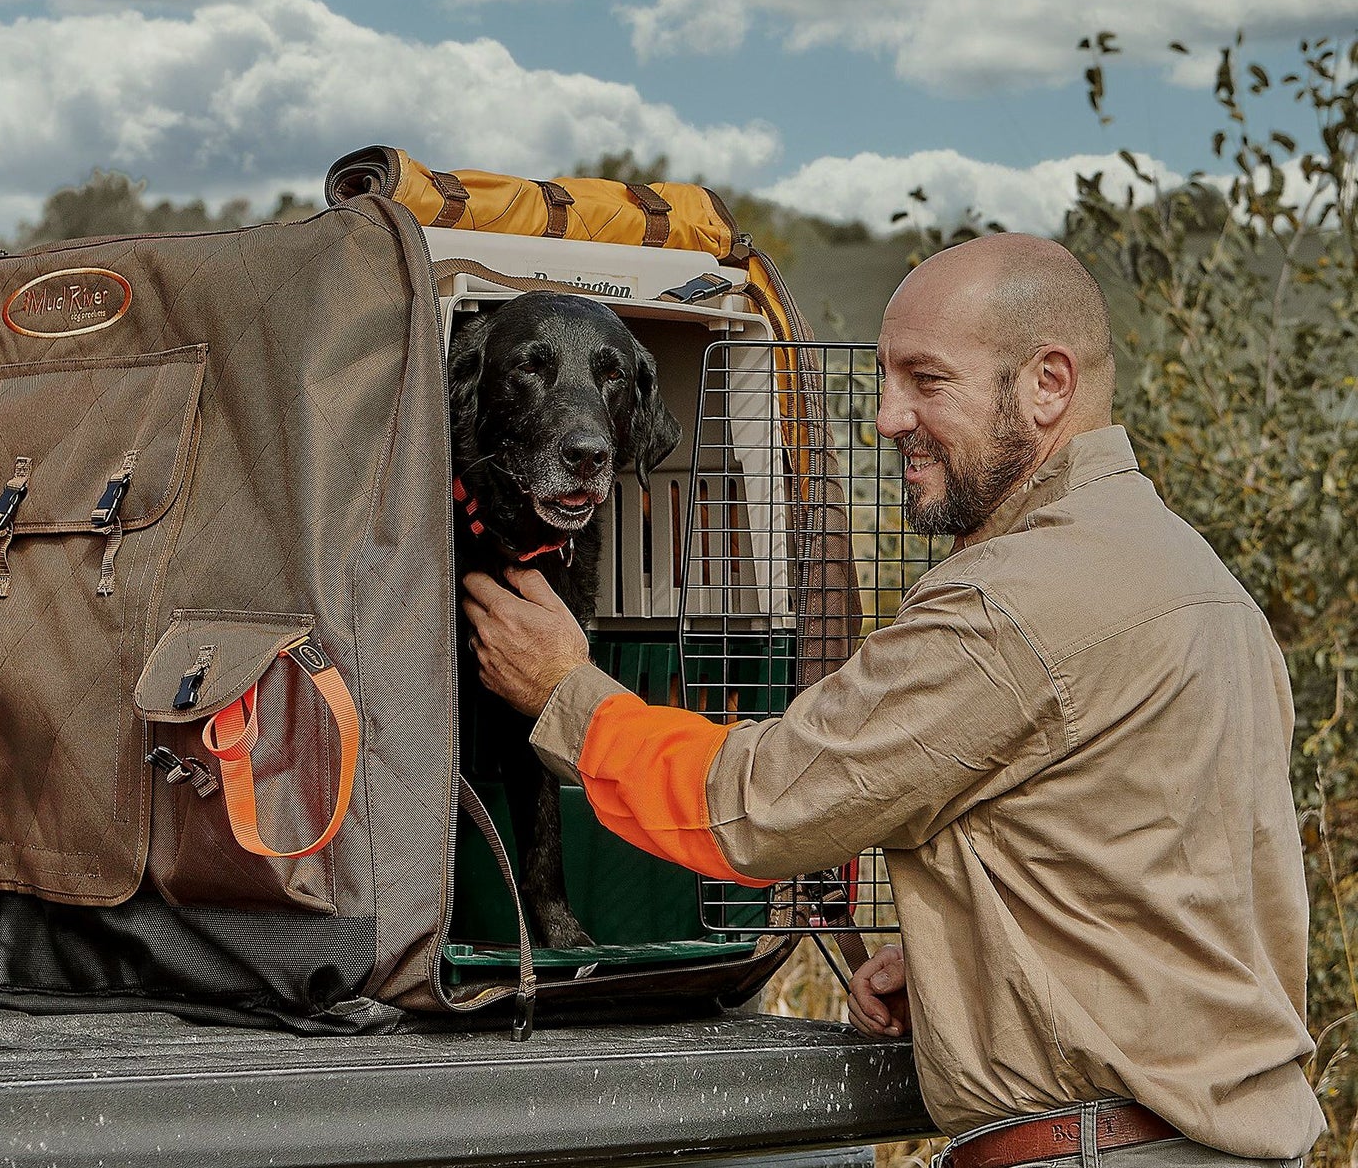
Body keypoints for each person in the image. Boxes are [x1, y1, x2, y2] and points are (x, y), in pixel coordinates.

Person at [461, 233, 1324, 1168]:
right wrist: (982, 971)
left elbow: (758, 808)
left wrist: (564, 690)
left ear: (1047, 386)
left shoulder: (1012, 602)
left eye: (926, 380)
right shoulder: (1199, 582)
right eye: (883, 377)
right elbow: (1167, 870)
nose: (885, 417)